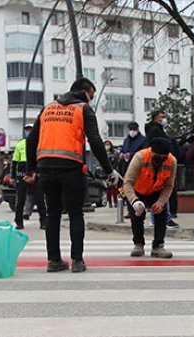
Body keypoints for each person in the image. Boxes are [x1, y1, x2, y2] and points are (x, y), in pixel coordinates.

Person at [25, 77, 117, 273]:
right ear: (84, 92)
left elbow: (31, 140)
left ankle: (53, 260)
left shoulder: (48, 109)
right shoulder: (83, 109)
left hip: (46, 169)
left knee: (52, 214)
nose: (91, 100)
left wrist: (31, 168)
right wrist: (109, 170)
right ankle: (77, 260)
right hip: (71, 169)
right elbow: (95, 141)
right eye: (91, 95)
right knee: (75, 213)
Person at [123, 138, 177, 258]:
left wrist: (161, 202)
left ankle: (158, 247)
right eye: (157, 157)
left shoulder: (171, 161)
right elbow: (127, 183)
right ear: (151, 151)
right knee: (136, 217)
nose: (160, 160)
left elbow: (169, 186)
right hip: (137, 191)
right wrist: (134, 201)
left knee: (161, 216)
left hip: (156, 191)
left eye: (163, 157)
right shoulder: (140, 157)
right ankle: (138, 244)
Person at [144, 109, 180, 228]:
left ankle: (156, 218)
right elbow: (162, 144)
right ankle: (164, 218)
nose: (164, 119)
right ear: (156, 118)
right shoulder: (155, 130)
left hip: (156, 161)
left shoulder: (155, 129)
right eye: (162, 116)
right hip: (159, 161)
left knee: (158, 190)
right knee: (163, 190)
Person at [12, 124, 45, 230]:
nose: (28, 132)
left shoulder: (39, 142)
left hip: (35, 172)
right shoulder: (20, 144)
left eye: (30, 130)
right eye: (27, 130)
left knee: (40, 199)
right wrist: (13, 176)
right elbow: (15, 162)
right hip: (22, 173)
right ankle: (19, 222)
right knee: (20, 200)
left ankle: (43, 222)